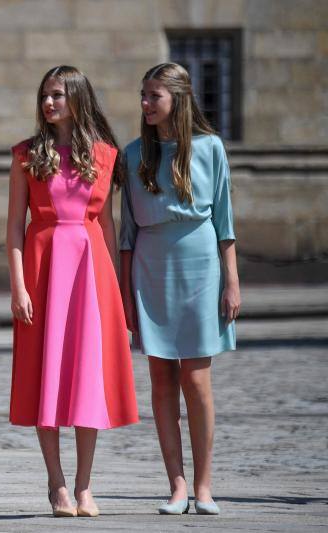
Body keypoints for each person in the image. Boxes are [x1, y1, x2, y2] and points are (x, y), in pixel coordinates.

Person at [7, 65, 139, 518]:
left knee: (86, 378)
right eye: (45, 95)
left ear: (78, 99)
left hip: (90, 274)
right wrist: (18, 286)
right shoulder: (25, 154)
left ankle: (84, 486)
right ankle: (56, 483)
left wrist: (118, 294)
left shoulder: (105, 155)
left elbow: (107, 226)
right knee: (45, 377)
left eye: (58, 95)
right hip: (42, 271)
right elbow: (13, 229)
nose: (49, 103)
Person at [119, 62, 240, 516]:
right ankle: (176, 484)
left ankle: (205, 486)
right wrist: (125, 293)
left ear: (178, 99)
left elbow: (225, 222)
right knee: (161, 379)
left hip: (202, 264)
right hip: (150, 267)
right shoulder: (133, 155)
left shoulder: (211, 149)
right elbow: (126, 231)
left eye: (155, 95)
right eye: (143, 95)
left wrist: (231, 282)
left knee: (196, 378)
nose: (146, 104)